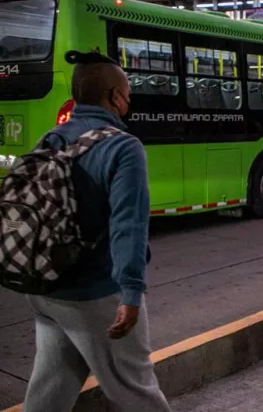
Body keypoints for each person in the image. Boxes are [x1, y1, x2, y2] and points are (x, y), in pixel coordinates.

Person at [22, 51, 170, 412]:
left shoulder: (51, 138)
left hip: (43, 285)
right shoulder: (123, 146)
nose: (129, 99)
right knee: (136, 389)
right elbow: (128, 224)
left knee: (52, 384)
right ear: (114, 97)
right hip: (94, 292)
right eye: (127, 92)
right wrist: (131, 291)